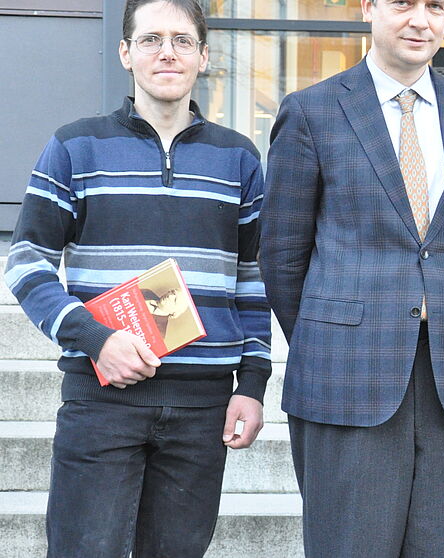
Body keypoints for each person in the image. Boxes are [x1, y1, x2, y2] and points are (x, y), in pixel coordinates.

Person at [3, 1, 271, 556]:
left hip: (202, 409)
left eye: (181, 40)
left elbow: (254, 279)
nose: (166, 52)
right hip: (101, 402)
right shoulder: (76, 146)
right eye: (151, 40)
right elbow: (27, 262)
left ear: (203, 56)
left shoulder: (239, 158)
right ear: (126, 53)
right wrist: (95, 338)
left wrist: (252, 385)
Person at [258, 0, 444, 556]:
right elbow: (282, 255)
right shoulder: (312, 111)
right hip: (346, 375)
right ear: (368, 7)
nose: (421, 20)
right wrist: (335, 331)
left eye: (435, 6)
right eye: (403, 3)